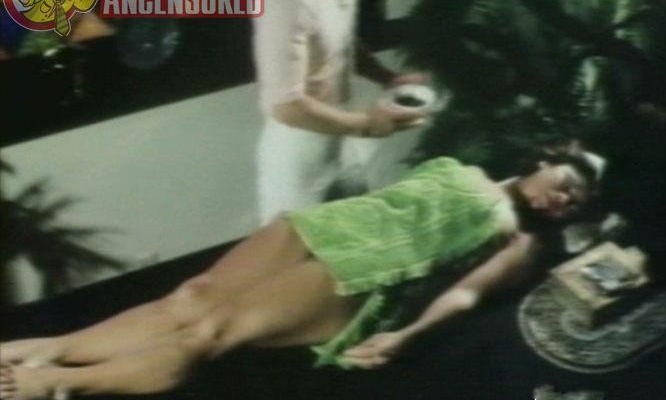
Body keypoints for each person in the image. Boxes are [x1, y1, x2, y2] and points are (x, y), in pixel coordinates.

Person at [0, 149, 602, 400]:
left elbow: (466, 294)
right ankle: (53, 347)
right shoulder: (463, 165)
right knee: (192, 295)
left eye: (573, 204)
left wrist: (405, 335)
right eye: (566, 184)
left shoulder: (522, 240)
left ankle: (62, 385)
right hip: (323, 228)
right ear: (547, 160)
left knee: (210, 333)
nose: (562, 200)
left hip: (365, 275)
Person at [254, 0, 428, 224]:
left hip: (341, 141)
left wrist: (387, 78)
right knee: (302, 248)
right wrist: (368, 125)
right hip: (298, 160)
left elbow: (340, 37)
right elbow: (286, 107)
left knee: (361, 233)